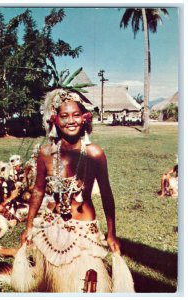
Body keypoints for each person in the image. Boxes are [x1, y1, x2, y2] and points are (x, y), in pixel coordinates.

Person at [14, 88, 121, 293]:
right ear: (55, 120)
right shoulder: (46, 153)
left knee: (85, 286)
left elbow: (107, 194)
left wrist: (111, 234)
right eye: (64, 116)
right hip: (51, 227)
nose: (70, 121)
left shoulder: (94, 153)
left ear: (84, 119)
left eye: (76, 115)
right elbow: (38, 191)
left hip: (84, 231)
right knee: (54, 286)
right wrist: (28, 226)